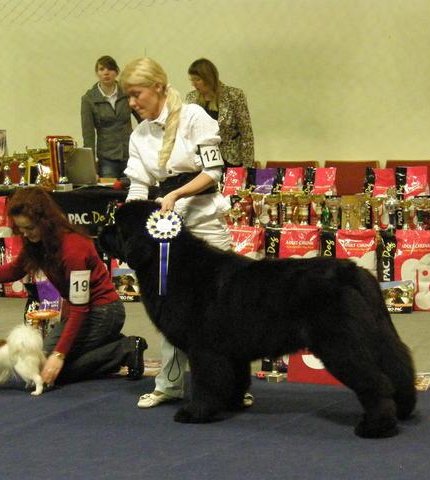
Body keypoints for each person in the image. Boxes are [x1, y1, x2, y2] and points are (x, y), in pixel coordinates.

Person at [120, 57, 254, 409]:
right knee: (172, 308)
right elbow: (138, 185)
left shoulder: (196, 118)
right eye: (128, 97)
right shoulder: (139, 134)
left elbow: (213, 171)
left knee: (226, 309)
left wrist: (177, 194)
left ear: (159, 88)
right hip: (166, 230)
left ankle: (234, 385)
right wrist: (131, 219)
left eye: (137, 95)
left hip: (205, 223)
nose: (132, 103)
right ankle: (170, 384)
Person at [0, 187, 148, 385]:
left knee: (55, 371)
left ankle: (125, 348)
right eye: (21, 229)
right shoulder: (38, 241)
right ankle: (103, 343)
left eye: (29, 228)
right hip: (80, 310)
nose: (25, 234)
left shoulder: (73, 249)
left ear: (45, 221)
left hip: (103, 312)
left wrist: (59, 355)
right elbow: (16, 269)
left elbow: (81, 308)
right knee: (40, 364)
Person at [185, 58, 255, 168]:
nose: (193, 84)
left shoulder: (234, 95)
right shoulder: (191, 98)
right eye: (191, 80)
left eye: (197, 79)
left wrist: (248, 168)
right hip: (202, 161)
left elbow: (246, 134)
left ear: (209, 78)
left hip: (230, 160)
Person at [81, 55, 140, 179]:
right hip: (107, 158)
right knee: (109, 192)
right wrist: (91, 168)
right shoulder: (88, 99)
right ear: (97, 73)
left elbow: (142, 119)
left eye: (110, 69)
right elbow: (88, 135)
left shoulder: (127, 92)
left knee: (133, 191)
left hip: (131, 153)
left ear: (117, 72)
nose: (106, 73)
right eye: (102, 69)